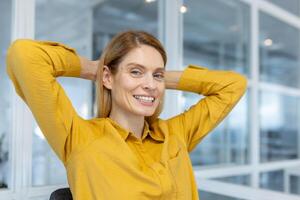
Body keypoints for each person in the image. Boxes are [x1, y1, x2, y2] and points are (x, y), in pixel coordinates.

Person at [6, 30, 247, 200]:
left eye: (157, 75)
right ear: (108, 78)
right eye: (135, 71)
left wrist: (156, 78)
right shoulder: (79, 138)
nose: (150, 85)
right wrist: (95, 69)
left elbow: (232, 85)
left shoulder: (175, 134)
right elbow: (25, 55)